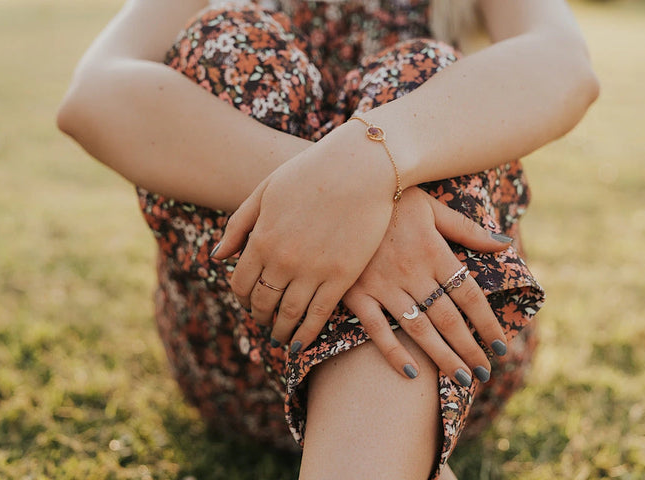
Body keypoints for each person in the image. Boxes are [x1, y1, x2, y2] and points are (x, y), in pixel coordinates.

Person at [57, 0, 598, 478]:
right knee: (227, 42)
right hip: (241, 367)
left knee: (423, 74)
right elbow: (95, 94)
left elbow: (564, 64)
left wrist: (374, 156)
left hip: (454, 353)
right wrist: (339, 195)